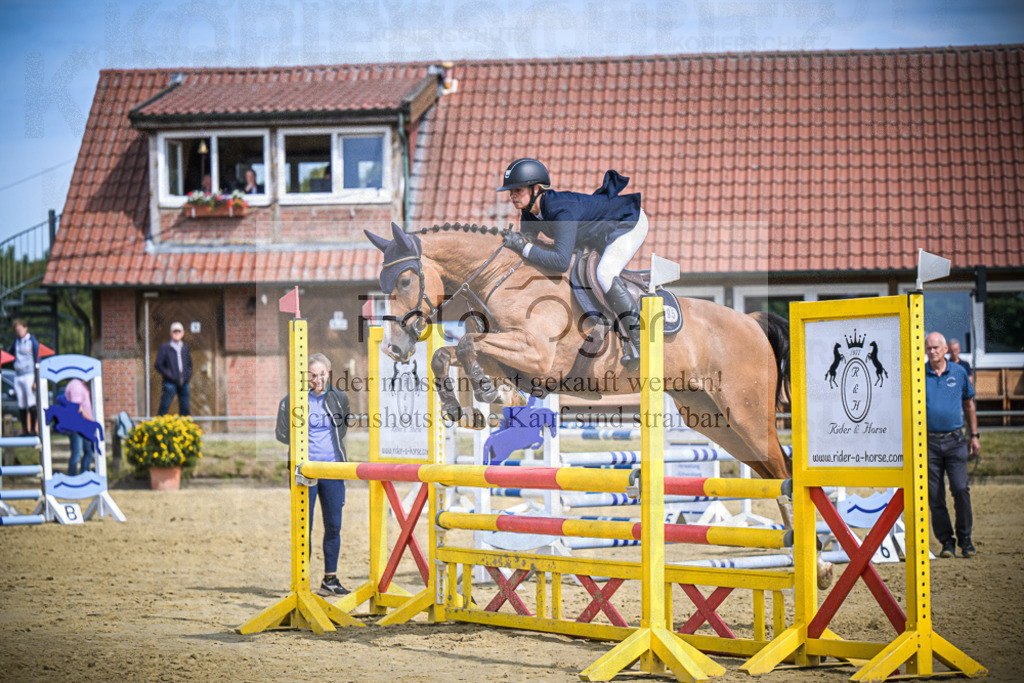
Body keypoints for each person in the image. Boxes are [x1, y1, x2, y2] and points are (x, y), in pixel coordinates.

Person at [497, 158, 648, 368]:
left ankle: (640, 342)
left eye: (518, 190)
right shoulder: (529, 213)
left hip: (628, 221)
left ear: (536, 189)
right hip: (600, 229)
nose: (512, 196)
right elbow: (526, 251)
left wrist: (522, 246)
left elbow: (560, 261)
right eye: (511, 191)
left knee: (605, 274)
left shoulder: (561, 212)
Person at [275, 353, 351, 597]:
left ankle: (330, 579)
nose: (317, 379)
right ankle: (302, 580)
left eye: (322, 374)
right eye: (313, 375)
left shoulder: (339, 398)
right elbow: (282, 433)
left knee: (333, 525)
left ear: (329, 374)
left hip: (332, 469)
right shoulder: (292, 400)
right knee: (303, 526)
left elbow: (343, 427)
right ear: (305, 376)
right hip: (304, 471)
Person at [925, 331, 980, 558]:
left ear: (945, 349)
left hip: (955, 440)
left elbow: (969, 406)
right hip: (928, 443)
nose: (932, 351)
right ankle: (947, 542)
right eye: (928, 348)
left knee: (960, 489)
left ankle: (965, 540)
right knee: (934, 496)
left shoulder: (958, 373)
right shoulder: (919, 374)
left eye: (936, 347)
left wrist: (975, 435)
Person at [6, 319, 40, 436]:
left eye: (20, 329)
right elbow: (8, 353)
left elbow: (37, 359)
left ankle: (33, 429)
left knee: (31, 402)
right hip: (18, 375)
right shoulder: (17, 342)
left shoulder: (32, 341)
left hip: (29, 374)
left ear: (25, 328)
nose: (19, 332)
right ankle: (25, 428)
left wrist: (36, 379)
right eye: (17, 330)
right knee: (21, 403)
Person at [155, 322, 193, 416]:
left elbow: (189, 364)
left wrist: (187, 376)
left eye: (179, 331)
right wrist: (170, 375)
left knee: (185, 409)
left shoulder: (185, 347)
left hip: (184, 382)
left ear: (182, 333)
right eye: (174, 331)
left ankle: (185, 429)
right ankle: (158, 428)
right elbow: (158, 365)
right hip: (169, 383)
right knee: (164, 407)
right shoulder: (165, 347)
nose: (177, 333)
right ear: (171, 333)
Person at [63, 378, 95, 475]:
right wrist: (91, 420)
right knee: (77, 453)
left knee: (89, 451)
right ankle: (72, 478)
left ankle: (84, 476)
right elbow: (76, 408)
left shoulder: (83, 385)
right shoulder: (75, 385)